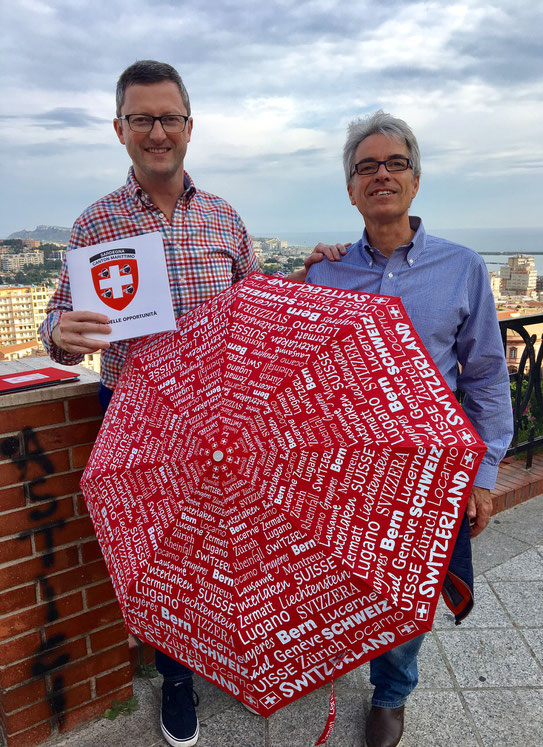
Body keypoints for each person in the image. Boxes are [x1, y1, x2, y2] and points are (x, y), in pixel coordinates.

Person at [39, 60, 316, 747]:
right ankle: (180, 678)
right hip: (140, 424)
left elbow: (258, 312)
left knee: (242, 545)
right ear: (119, 129)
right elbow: (59, 327)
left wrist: (312, 278)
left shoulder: (225, 219)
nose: (156, 132)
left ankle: (243, 656)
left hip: (228, 418)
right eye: (142, 119)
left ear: (190, 128)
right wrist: (60, 335)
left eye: (168, 118)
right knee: (168, 561)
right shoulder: (94, 222)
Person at [306, 110, 514, 747]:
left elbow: (485, 377)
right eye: (366, 167)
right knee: (353, 581)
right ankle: (347, 657)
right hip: (352, 469)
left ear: (416, 180)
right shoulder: (326, 273)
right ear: (351, 189)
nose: (381, 175)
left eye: (394, 163)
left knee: (412, 591)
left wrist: (482, 476)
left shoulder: (461, 268)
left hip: (430, 468)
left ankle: (392, 693)